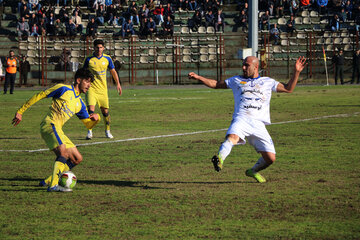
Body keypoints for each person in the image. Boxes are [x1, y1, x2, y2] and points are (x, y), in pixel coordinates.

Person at [188, 56, 307, 183]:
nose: (244, 68)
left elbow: (289, 88)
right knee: (232, 137)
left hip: (259, 124)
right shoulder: (236, 80)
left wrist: (297, 72)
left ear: (256, 67)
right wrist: (199, 77)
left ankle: (253, 171)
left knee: (270, 158)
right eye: (243, 65)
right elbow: (216, 84)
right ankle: (220, 159)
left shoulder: (268, 82)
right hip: (241, 119)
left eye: (247, 65)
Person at [12, 68, 100, 192]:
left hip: (58, 129)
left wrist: (96, 119)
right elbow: (40, 95)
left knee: (77, 158)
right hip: (49, 125)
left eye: (90, 82)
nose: (89, 85)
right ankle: (53, 185)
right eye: (87, 81)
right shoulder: (63, 89)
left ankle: (48, 180)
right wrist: (21, 111)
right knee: (63, 152)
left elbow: (88, 125)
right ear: (78, 80)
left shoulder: (80, 103)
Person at [83, 39, 122, 139]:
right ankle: (89, 131)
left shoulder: (107, 59)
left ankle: (107, 130)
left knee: (105, 112)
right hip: (91, 89)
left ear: (103, 48)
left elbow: (113, 72)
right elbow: (82, 72)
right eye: (97, 47)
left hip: (103, 90)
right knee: (91, 110)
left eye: (101, 47)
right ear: (94, 48)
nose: (99, 49)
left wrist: (118, 84)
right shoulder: (89, 59)